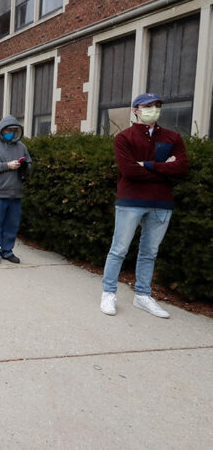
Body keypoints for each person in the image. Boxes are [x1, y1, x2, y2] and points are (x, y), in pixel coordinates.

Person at [100, 93, 188, 318]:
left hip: (161, 203)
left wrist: (148, 165)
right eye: (147, 106)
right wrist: (163, 170)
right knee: (119, 249)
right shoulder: (124, 138)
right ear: (136, 110)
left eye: (157, 106)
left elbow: (181, 168)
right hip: (131, 201)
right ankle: (109, 292)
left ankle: (142, 295)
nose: (153, 110)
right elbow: (129, 171)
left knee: (149, 252)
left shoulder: (172, 138)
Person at [0, 115, 32, 263]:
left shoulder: (21, 147)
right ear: (1, 130)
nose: (11, 132)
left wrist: (25, 166)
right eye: (8, 130)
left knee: (12, 225)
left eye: (14, 130)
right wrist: (7, 165)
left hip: (15, 193)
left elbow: (29, 164)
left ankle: (7, 251)